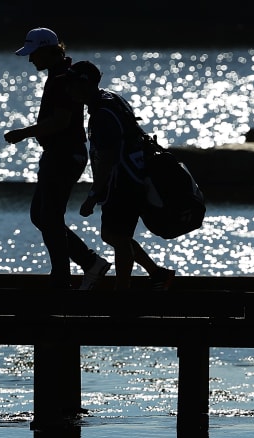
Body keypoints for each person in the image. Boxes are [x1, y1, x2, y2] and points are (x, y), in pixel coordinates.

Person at [3, 27, 111, 290]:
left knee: (48, 217)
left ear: (49, 51)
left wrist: (23, 133)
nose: (30, 60)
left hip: (64, 156)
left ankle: (62, 278)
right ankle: (89, 262)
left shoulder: (63, 79)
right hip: (60, 154)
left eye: (34, 54)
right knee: (42, 216)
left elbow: (61, 121)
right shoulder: (60, 75)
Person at [69, 61, 176, 291]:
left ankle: (122, 292)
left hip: (124, 183)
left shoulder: (101, 116)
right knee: (114, 235)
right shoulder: (111, 98)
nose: (70, 89)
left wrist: (93, 195)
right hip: (133, 178)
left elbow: (108, 159)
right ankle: (157, 274)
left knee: (117, 237)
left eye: (73, 84)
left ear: (85, 85)